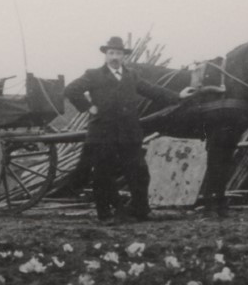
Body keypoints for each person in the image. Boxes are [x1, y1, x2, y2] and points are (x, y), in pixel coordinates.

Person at [65, 36, 177, 223]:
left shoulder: (131, 75)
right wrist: (88, 107)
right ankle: (105, 214)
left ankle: (141, 210)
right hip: (103, 132)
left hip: (129, 132)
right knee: (102, 174)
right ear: (105, 55)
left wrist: (178, 95)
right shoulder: (93, 75)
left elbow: (153, 90)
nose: (114, 57)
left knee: (139, 171)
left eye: (118, 53)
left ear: (123, 56)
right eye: (111, 53)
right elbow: (71, 90)